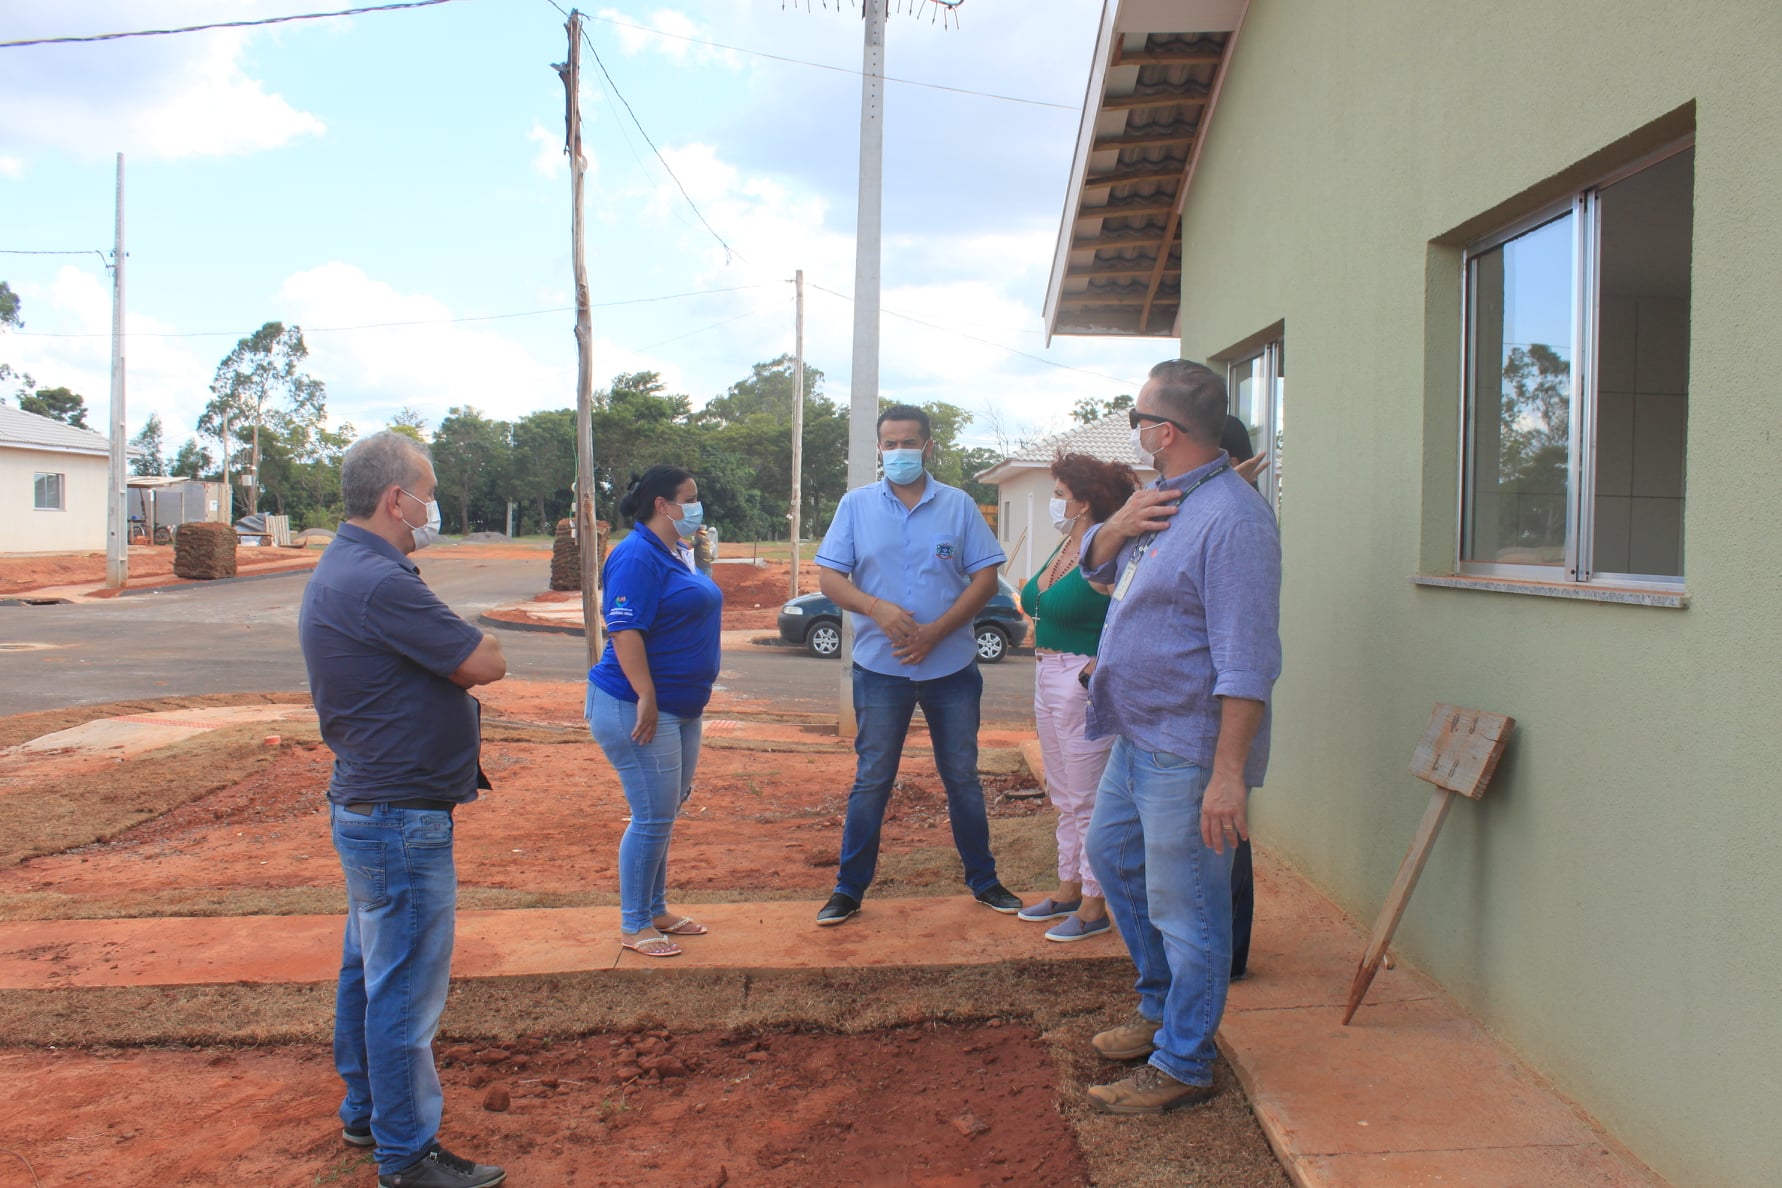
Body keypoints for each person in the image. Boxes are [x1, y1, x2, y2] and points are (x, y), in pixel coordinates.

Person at [298, 430, 509, 1188]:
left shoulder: (349, 566)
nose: (433, 505)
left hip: (371, 802)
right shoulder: (382, 583)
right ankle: (407, 1154)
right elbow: (486, 659)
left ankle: (367, 1113)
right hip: (399, 816)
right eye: (427, 490)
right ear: (397, 499)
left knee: (369, 969)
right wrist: (468, 644)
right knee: (404, 989)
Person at [1078, 360, 1282, 1114]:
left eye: (1137, 420)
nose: (1133, 431)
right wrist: (1113, 528)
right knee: (1113, 857)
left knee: (1189, 908)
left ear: (1163, 432)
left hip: (1189, 750)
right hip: (1138, 733)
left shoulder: (1234, 520)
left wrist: (1228, 776)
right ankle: (1162, 1006)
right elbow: (1099, 576)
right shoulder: (1162, 500)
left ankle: (1185, 1061)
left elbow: (1247, 660)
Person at [812, 403, 1024, 925]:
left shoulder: (959, 507)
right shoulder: (855, 505)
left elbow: (985, 579)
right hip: (880, 670)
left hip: (950, 668)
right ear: (879, 449)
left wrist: (937, 632)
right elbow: (831, 579)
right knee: (873, 778)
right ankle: (848, 889)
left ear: (929, 447)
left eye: (910, 442)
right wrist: (876, 608)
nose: (899, 451)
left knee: (962, 777)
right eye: (890, 443)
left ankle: (985, 881)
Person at [586, 466, 724, 958]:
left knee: (665, 811)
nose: (696, 505)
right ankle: (634, 924)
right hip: (638, 706)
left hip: (682, 707)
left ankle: (656, 908)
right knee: (651, 816)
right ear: (662, 505)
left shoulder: (678, 553)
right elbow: (624, 629)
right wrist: (645, 693)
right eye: (689, 498)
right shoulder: (635, 555)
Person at [1016, 452, 1137, 943]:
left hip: (1079, 677)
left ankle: (1093, 904)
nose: (1054, 503)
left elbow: (1129, 611)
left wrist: (1097, 664)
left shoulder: (1108, 552)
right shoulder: (1067, 546)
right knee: (1063, 793)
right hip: (1046, 673)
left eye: (1060, 495)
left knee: (1087, 797)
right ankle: (1068, 887)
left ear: (1084, 502)